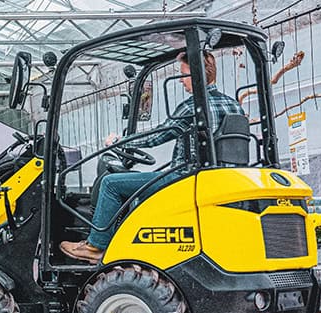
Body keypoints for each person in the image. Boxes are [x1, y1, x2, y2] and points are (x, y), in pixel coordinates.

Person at [59, 51, 245, 263]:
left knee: (110, 184)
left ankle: (96, 246)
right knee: (145, 177)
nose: (181, 80)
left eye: (183, 74)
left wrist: (119, 142)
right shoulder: (234, 105)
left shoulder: (192, 106)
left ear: (196, 75)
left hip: (186, 180)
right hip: (218, 180)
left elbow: (157, 136)